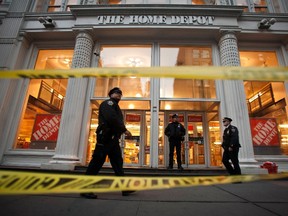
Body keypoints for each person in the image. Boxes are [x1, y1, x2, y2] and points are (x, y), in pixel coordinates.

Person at [80, 87, 134, 199]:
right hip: (105, 137)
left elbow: (115, 120)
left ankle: (124, 187)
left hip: (112, 139)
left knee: (118, 163)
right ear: (110, 94)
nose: (118, 95)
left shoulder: (115, 105)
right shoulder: (108, 103)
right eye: (116, 93)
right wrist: (124, 129)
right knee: (97, 162)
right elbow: (111, 118)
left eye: (120, 94)